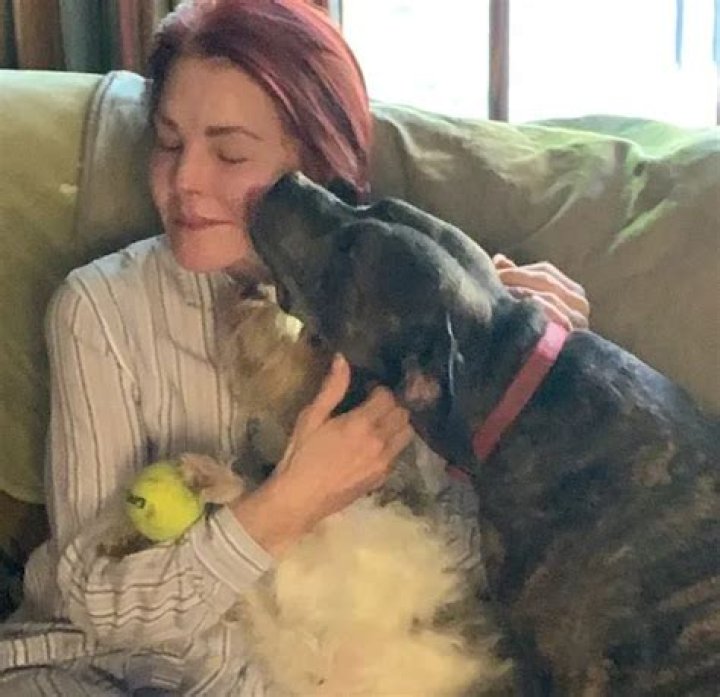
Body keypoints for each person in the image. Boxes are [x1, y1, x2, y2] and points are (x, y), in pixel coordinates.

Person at [0, 0, 589, 693]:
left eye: (229, 153)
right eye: (167, 142)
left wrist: (538, 353)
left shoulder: (409, 300)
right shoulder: (98, 309)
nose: (185, 180)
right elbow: (96, 599)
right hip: (109, 670)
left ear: (321, 164)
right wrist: (286, 506)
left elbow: (461, 568)